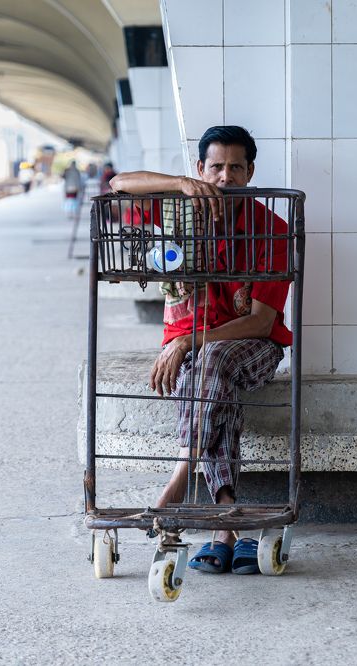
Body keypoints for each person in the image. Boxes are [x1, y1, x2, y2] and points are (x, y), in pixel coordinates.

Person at [108, 126, 291, 576]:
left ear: (250, 172)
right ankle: (227, 521)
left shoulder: (273, 229)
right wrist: (178, 185)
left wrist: (185, 341)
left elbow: (262, 322)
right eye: (215, 167)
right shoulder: (181, 214)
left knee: (209, 361)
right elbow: (118, 184)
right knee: (211, 379)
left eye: (235, 167)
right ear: (200, 169)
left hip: (253, 348)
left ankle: (182, 472)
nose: (225, 177)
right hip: (196, 353)